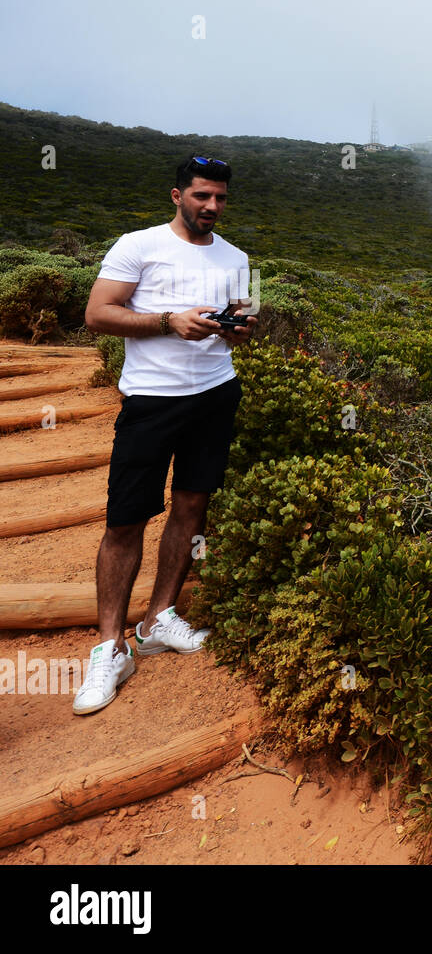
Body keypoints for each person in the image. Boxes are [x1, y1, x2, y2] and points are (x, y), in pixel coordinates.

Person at [73, 155, 258, 716]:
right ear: (177, 194)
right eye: (202, 196)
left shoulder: (236, 257)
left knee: (192, 505)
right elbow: (98, 313)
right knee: (126, 518)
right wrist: (167, 320)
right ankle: (110, 646)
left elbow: (240, 332)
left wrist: (242, 328)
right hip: (151, 399)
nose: (212, 207)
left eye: (221, 198)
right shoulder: (139, 244)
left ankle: (158, 620)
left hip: (216, 394)